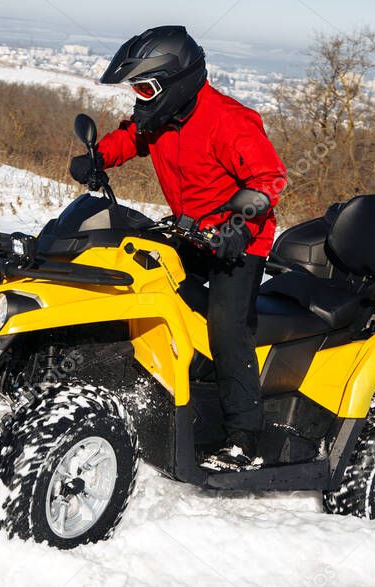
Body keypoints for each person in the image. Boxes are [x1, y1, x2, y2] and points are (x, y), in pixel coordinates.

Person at [69, 25, 287, 471]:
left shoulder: (229, 121)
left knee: (227, 327)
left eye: (147, 87)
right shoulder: (162, 114)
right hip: (190, 232)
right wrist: (98, 158)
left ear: (178, 81)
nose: (141, 98)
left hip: (239, 241)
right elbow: (131, 135)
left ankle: (244, 437)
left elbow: (270, 179)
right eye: (137, 89)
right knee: (137, 276)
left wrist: (238, 229)